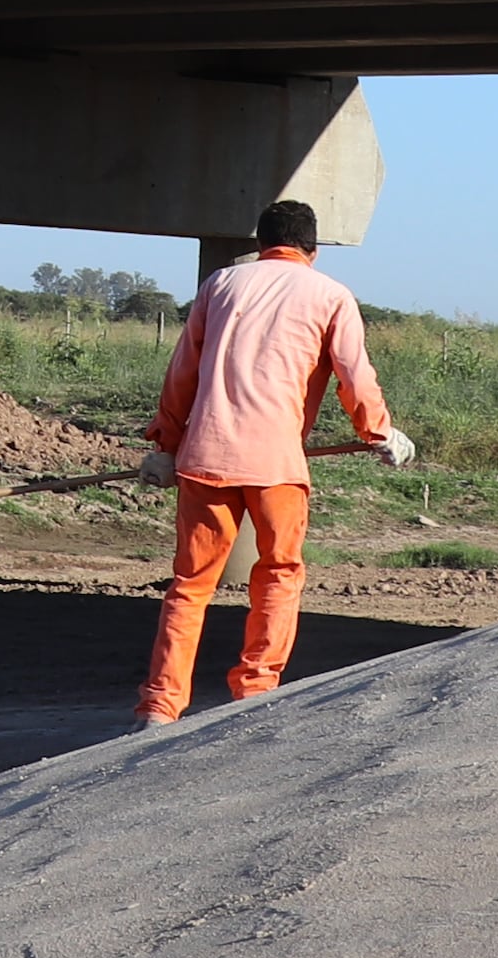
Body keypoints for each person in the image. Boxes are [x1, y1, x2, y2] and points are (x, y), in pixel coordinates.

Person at [134, 197, 411, 724]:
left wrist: (164, 446)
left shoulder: (219, 286)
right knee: (278, 575)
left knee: (190, 587)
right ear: (313, 247)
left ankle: (159, 706)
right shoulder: (330, 295)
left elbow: (182, 375)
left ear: (261, 243)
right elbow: (355, 374)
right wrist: (378, 432)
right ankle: (256, 694)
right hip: (277, 466)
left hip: (204, 458)